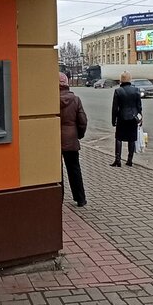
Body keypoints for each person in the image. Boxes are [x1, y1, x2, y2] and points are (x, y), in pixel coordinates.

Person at [59, 72, 88, 207]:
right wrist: (78, 135)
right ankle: (80, 198)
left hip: (54, 140)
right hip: (71, 139)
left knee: (57, 171)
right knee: (74, 169)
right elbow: (82, 121)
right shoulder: (76, 100)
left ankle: (58, 199)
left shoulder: (51, 99)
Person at [110, 71, 142, 167]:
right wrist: (140, 118)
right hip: (133, 117)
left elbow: (115, 108)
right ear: (130, 79)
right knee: (131, 138)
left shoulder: (118, 91)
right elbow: (139, 106)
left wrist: (113, 120)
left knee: (119, 138)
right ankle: (129, 160)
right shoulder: (136, 90)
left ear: (121, 80)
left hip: (122, 117)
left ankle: (118, 160)